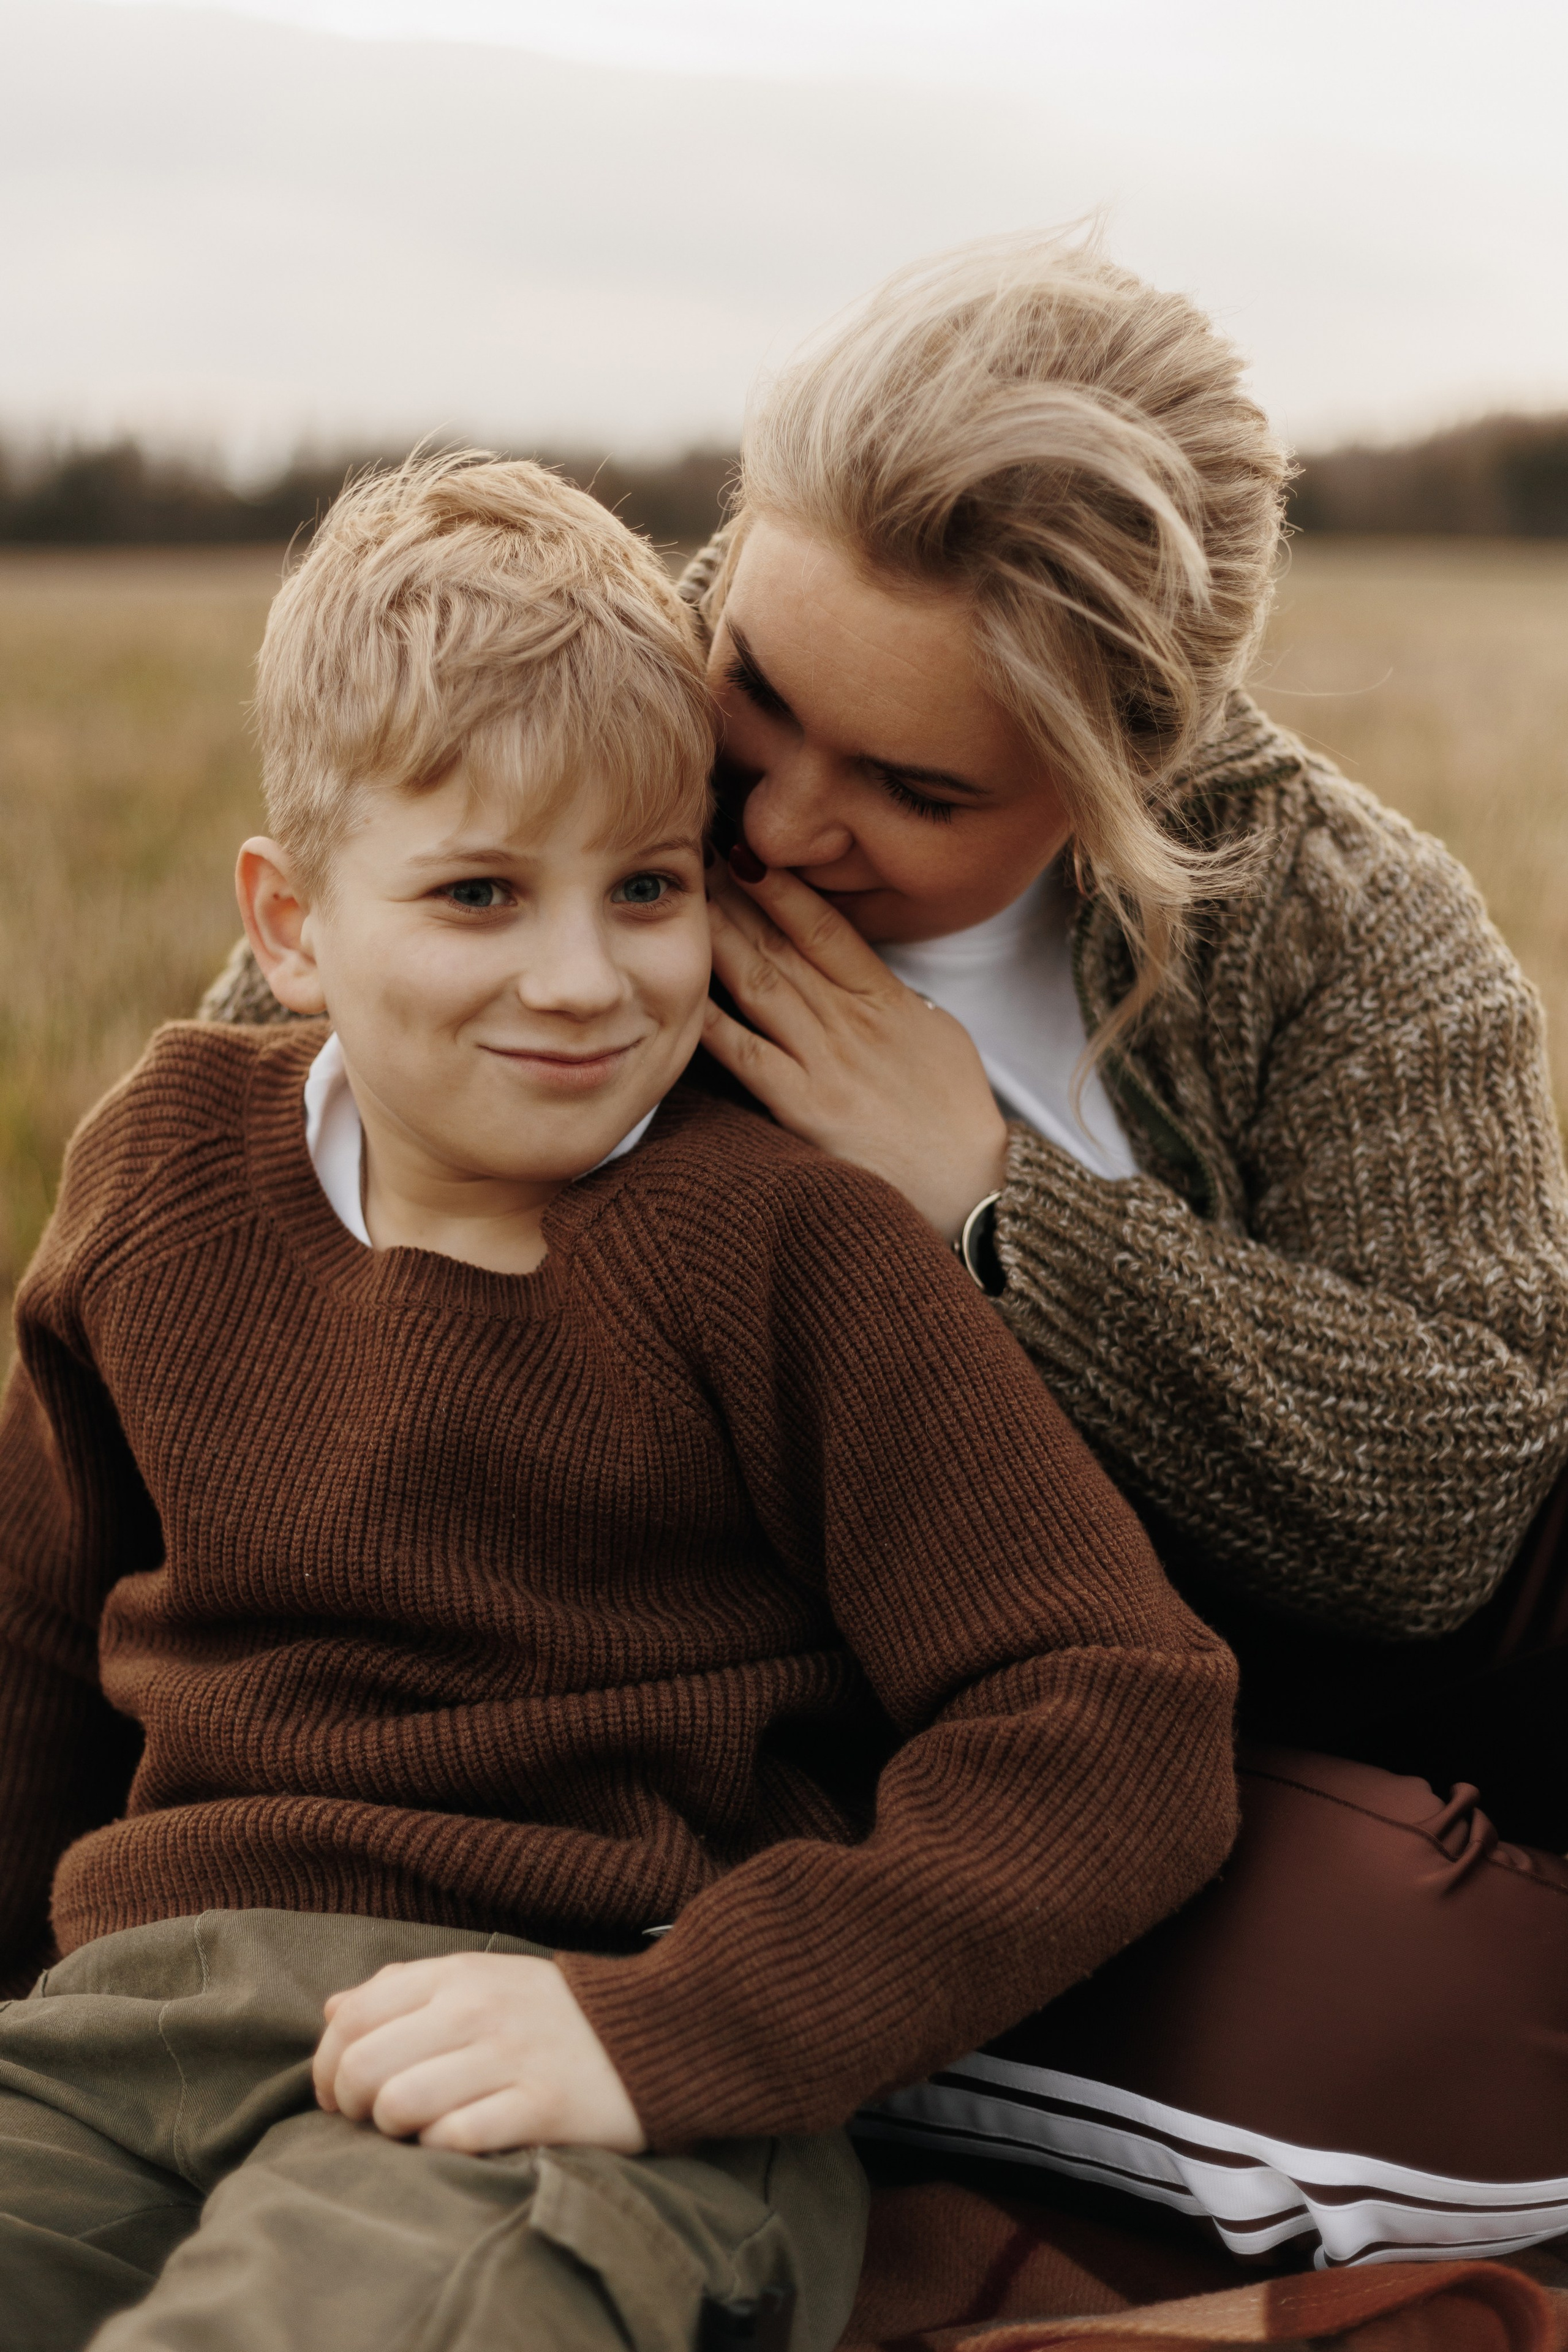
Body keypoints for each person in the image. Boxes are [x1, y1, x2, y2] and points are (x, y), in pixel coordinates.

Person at [202, 240, 1568, 2265]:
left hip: (1170, 1723)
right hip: (721, 1755)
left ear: (1144, 754)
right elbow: (228, 1238)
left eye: (919, 788)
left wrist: (999, 1206)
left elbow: (1457, 1494)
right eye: (756, 685)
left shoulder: (1340, 925)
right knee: (1444, 2017)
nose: (783, 816)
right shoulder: (549, 737)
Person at [0, 453, 1239, 2351]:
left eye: (648, 888)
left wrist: (676, 2030)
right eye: (480, 894)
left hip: (578, 2066)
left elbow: (1114, 1714)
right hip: (131, 2022)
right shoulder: (163, 1171)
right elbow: (26, 1640)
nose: (580, 980)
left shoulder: (780, 1245)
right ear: (292, 923)